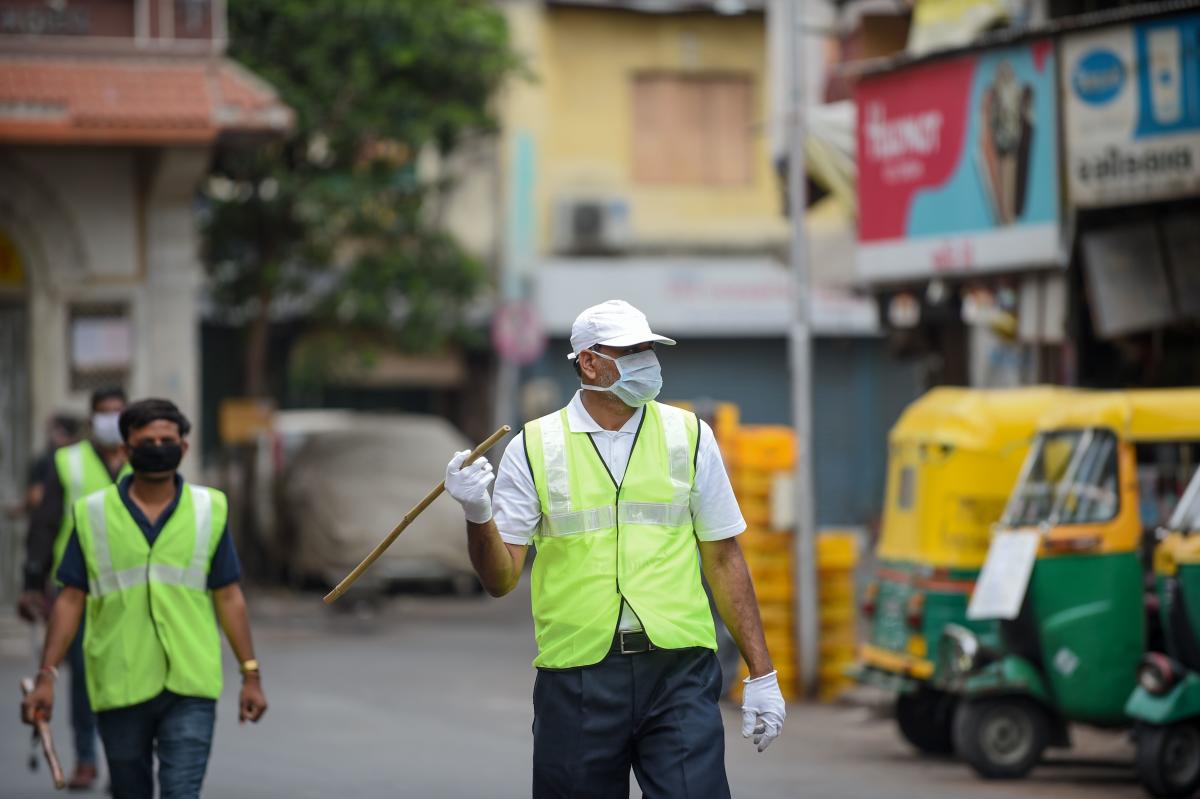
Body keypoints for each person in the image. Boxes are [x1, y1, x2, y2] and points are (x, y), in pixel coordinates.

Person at [443, 299, 786, 798]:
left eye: (649, 348)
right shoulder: (535, 448)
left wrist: (762, 674)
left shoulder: (688, 436)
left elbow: (725, 556)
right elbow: (500, 580)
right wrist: (478, 514)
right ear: (588, 362)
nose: (647, 359)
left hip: (678, 671)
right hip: (578, 677)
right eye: (631, 350)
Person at [21, 398, 267, 799]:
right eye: (147, 440)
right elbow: (70, 601)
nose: (157, 447)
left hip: (190, 684)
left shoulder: (210, 509)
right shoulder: (92, 514)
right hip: (120, 683)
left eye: (166, 439)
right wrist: (47, 675)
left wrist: (250, 674)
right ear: (126, 449)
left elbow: (228, 596)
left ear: (183, 448)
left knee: (180, 792)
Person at [17, 388, 128, 790]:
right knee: (84, 676)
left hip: (129, 589)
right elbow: (45, 524)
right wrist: (32, 581)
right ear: (91, 417)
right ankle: (86, 757)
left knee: (125, 677)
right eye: (104, 413)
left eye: (118, 413)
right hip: (77, 586)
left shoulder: (145, 460)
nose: (111, 420)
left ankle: (123, 762)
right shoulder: (68, 462)